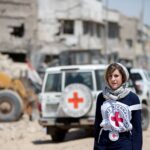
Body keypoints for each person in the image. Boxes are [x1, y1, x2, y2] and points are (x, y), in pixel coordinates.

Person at [93, 62, 142, 150]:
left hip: (124, 142)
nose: (113, 79)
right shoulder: (101, 97)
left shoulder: (133, 98)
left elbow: (137, 129)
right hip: (104, 142)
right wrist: (96, 146)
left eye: (116, 76)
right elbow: (97, 124)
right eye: (110, 76)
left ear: (123, 77)